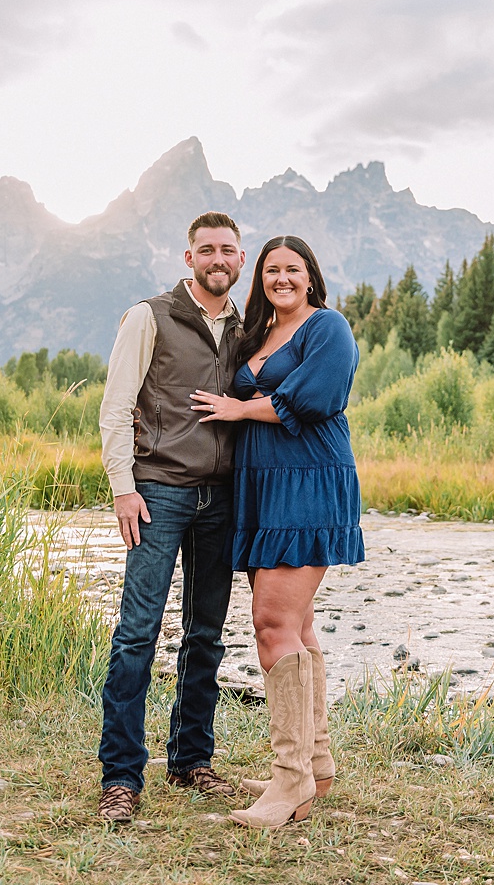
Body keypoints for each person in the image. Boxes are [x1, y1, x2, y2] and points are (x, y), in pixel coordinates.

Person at [191, 235, 364, 828]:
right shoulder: (257, 335)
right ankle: (314, 762)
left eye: (292, 269)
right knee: (298, 623)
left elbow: (316, 398)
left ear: (311, 276)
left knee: (273, 624)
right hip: (263, 487)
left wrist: (240, 409)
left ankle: (290, 787)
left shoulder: (328, 328)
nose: (281, 278)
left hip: (310, 480)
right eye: (271, 270)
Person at [95, 211, 246, 824]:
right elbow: (115, 406)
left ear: (241, 260)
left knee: (206, 634)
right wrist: (123, 488)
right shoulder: (148, 316)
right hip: (158, 494)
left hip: (223, 500)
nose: (218, 259)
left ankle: (191, 760)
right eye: (206, 249)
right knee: (138, 634)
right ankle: (122, 777)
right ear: (188, 258)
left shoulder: (246, 326)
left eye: (228, 251)